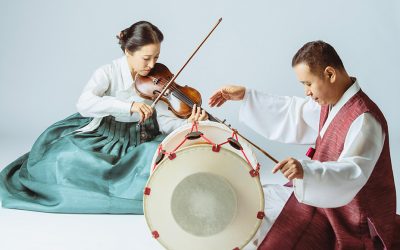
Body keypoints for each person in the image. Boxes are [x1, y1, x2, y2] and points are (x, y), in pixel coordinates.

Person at [0, 21, 207, 214]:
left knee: (161, 162)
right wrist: (128, 106)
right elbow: (84, 104)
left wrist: (186, 124)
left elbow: (163, 120)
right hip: (104, 136)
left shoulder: (158, 80)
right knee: (65, 161)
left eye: (156, 58)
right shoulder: (108, 72)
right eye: (146, 58)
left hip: (142, 139)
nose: (152, 65)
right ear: (128, 51)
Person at [209, 40, 399, 249]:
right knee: (260, 204)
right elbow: (293, 112)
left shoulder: (364, 119)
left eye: (308, 83)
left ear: (330, 74)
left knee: (272, 235)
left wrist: (305, 171)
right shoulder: (332, 102)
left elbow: (352, 173)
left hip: (348, 217)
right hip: (322, 198)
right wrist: (245, 95)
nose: (306, 92)